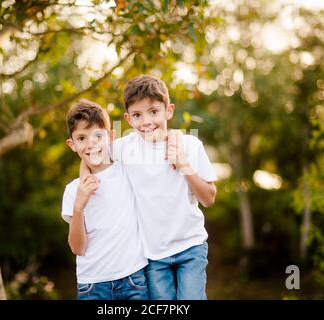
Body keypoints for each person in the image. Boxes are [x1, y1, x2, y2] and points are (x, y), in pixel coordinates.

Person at [113, 75, 218, 300]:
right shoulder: (123, 149)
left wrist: (184, 164)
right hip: (153, 255)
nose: (146, 121)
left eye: (153, 112)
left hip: (191, 247)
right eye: (137, 115)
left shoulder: (190, 145)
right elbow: (89, 152)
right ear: (128, 119)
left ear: (168, 111)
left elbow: (209, 199)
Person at [61, 99, 149, 300]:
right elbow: (77, 248)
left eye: (98, 136)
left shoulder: (128, 170)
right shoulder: (73, 190)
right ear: (72, 144)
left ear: (110, 137)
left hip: (133, 278)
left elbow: (151, 138)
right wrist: (79, 207)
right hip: (92, 284)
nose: (91, 143)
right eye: (82, 138)